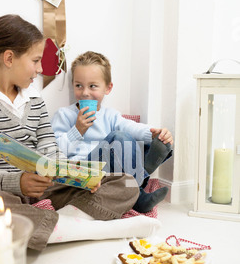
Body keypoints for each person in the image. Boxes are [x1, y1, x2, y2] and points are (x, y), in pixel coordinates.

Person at [0, 15, 160, 253]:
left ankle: (59, 227)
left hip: (41, 187)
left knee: (126, 183)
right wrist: (15, 182)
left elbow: (51, 149)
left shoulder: (35, 100)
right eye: (36, 60)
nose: (40, 70)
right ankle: (92, 229)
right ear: (9, 58)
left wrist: (76, 176)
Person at [52, 51, 173, 213]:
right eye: (78, 85)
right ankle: (139, 191)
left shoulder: (110, 115)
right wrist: (78, 130)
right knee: (119, 138)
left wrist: (152, 133)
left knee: (131, 142)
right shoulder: (64, 115)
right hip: (81, 171)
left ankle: (138, 181)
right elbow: (56, 152)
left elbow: (130, 127)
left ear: (107, 88)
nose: (85, 92)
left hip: (109, 173)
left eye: (92, 86)